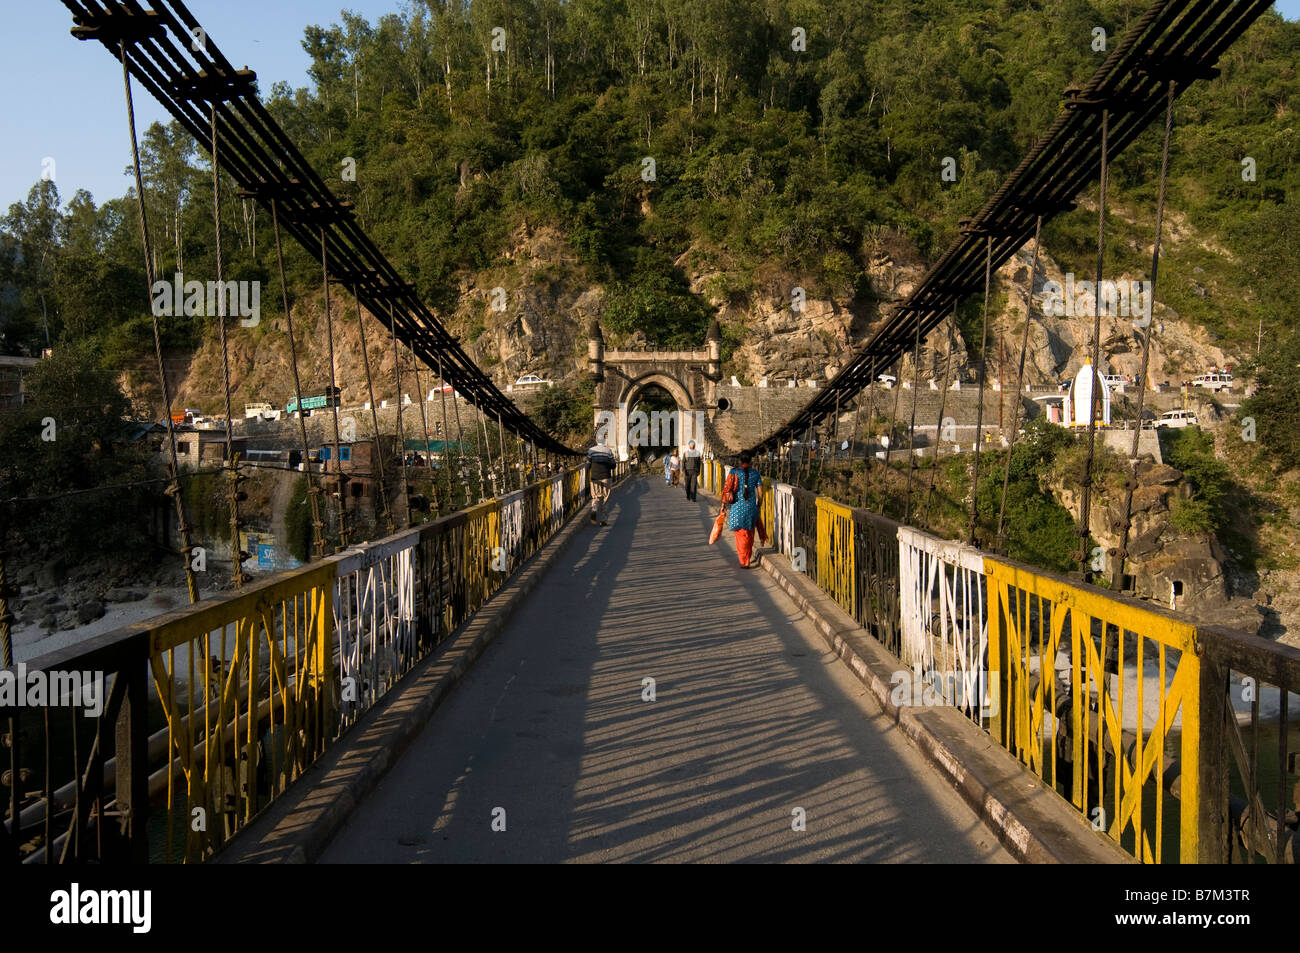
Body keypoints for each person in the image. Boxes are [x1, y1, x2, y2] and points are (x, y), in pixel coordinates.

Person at [723, 451, 763, 568]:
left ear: (739, 461)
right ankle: (748, 557)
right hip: (751, 509)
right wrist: (758, 505)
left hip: (737, 509)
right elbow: (760, 493)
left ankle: (744, 561)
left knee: (740, 535)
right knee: (750, 534)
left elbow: (726, 489)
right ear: (750, 460)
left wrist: (723, 505)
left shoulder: (733, 472)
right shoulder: (756, 473)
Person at [587, 436, 616, 526]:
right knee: (605, 498)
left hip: (595, 477)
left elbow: (588, 464)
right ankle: (603, 520)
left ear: (596, 441)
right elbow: (613, 465)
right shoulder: (608, 451)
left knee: (596, 497)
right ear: (604, 441)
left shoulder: (591, 450)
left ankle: (594, 510)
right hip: (606, 476)